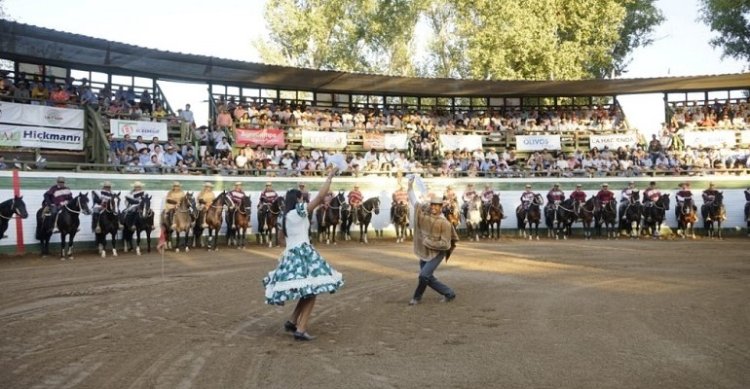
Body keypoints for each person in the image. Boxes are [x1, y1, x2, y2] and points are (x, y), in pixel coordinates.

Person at [262, 167, 343, 341]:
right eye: (302, 197)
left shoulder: (285, 217)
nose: (304, 199)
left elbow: (281, 240)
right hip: (303, 253)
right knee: (311, 292)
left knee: (308, 291)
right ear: (298, 200)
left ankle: (293, 322)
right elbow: (320, 197)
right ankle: (301, 328)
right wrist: (329, 177)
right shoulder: (299, 212)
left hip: (290, 254)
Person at [407, 177, 459, 306]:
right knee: (428, 277)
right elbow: (414, 200)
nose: (434, 207)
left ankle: (416, 298)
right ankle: (449, 293)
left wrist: (428, 242)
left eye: (437, 205)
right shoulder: (424, 213)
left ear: (441, 207)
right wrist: (409, 186)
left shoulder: (445, 223)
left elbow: (445, 244)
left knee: (423, 276)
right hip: (424, 252)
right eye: (432, 205)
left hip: (437, 252)